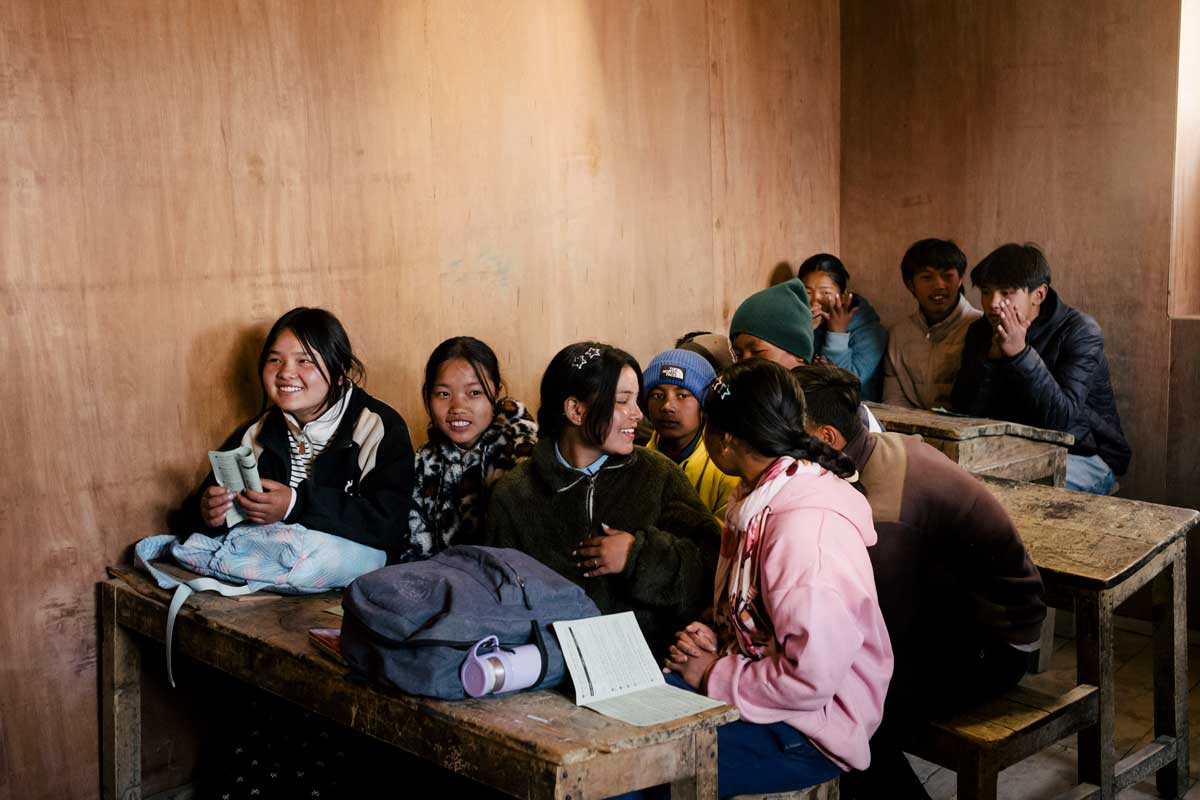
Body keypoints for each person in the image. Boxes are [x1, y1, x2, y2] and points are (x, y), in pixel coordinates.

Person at [793, 363, 1046, 799]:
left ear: (827, 437)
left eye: (787, 431)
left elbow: (877, 630)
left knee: (846, 713)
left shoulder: (886, 511)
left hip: (995, 643)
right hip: (947, 614)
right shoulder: (868, 452)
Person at [660, 359, 892, 798]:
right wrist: (717, 634)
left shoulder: (803, 534)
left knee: (649, 770)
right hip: (769, 691)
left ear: (726, 440)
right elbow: (758, 613)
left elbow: (812, 678)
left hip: (814, 729)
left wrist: (712, 674)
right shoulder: (760, 494)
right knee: (634, 717)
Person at [476, 342, 721, 656]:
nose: (638, 414)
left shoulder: (658, 475)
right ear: (576, 411)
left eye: (636, 400)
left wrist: (637, 556)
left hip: (652, 666)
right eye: (622, 401)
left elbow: (711, 568)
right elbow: (499, 602)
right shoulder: (515, 494)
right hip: (550, 669)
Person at [175, 307, 416, 562]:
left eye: (304, 361)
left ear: (339, 372)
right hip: (278, 566)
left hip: (353, 573)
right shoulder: (257, 433)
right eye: (274, 360)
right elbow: (193, 519)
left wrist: (294, 504)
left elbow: (389, 525)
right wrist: (208, 514)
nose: (286, 373)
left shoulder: (378, 427)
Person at [951, 243, 1131, 494]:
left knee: (1002, 492)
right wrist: (990, 361)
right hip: (1011, 452)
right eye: (986, 292)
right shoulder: (981, 330)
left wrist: (1020, 354)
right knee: (951, 483)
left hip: (1085, 455)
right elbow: (963, 413)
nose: (993, 303)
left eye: (1006, 292)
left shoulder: (1081, 331)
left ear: (1038, 295)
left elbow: (1062, 420)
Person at [407, 336, 537, 560]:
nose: (458, 407)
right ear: (428, 396)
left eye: (474, 393)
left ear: (496, 392)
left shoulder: (523, 452)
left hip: (511, 576)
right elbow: (413, 550)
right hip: (443, 577)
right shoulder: (423, 462)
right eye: (444, 394)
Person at [729, 278, 884, 433]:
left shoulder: (842, 412)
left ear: (798, 353)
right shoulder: (744, 403)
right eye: (738, 355)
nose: (744, 364)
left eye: (757, 352)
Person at [882, 238, 982, 409]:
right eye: (927, 277)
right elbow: (894, 401)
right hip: (908, 425)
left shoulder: (980, 328)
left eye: (947, 275)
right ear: (911, 285)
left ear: (960, 280)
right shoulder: (898, 334)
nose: (939, 285)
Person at [642, 348, 740, 521]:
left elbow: (726, 534)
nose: (667, 406)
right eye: (657, 395)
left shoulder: (727, 469)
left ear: (705, 405)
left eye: (682, 395)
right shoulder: (637, 462)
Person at [797, 253, 888, 401]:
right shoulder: (801, 321)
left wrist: (836, 334)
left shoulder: (871, 331)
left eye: (825, 292)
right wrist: (806, 332)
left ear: (844, 296)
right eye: (807, 292)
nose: (814, 301)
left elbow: (849, 384)